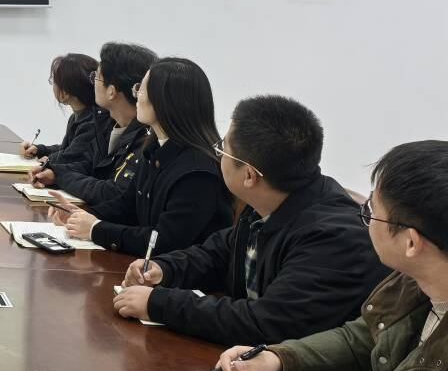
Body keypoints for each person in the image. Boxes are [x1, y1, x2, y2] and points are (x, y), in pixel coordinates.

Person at [212, 140, 448, 371]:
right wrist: (278, 358)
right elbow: (362, 339)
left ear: (412, 243)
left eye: (372, 212)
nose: (365, 219)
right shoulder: (412, 281)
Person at [112, 95, 386, 344]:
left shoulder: (333, 238)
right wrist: (165, 269)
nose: (217, 153)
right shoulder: (276, 197)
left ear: (249, 177)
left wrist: (159, 304)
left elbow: (266, 323)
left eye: (223, 148)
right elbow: (220, 253)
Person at [50, 57, 230, 256]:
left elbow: (163, 241)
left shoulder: (197, 171)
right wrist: (80, 215)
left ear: (165, 101)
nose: (136, 96)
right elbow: (126, 206)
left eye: (140, 89)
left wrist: (95, 229)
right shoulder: (155, 148)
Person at [33, 42, 156, 206]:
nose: (92, 83)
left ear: (111, 91)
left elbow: (113, 193)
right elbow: (89, 164)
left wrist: (60, 175)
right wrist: (55, 172)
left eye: (96, 77)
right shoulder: (106, 123)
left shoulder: (146, 139)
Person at [19, 53, 109, 175]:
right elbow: (69, 148)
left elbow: (71, 157)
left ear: (66, 92)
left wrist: (49, 160)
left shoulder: (93, 123)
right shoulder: (79, 116)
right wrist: (40, 149)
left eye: (54, 82)